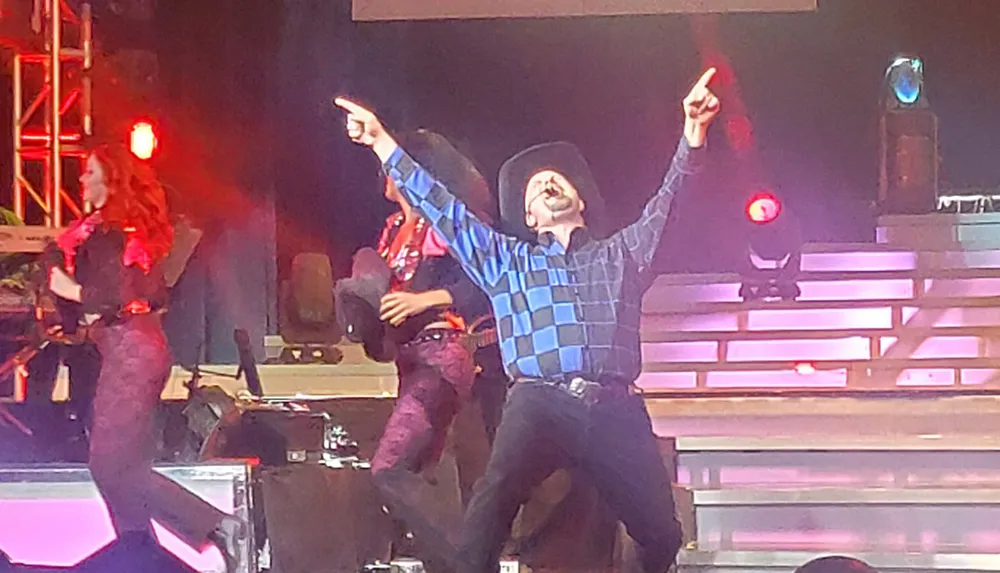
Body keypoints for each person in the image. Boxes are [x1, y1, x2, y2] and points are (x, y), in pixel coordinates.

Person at [335, 66, 720, 573]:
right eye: (536, 187)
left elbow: (672, 206)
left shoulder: (622, 253)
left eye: (555, 180)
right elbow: (445, 209)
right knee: (486, 521)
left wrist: (693, 136)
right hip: (539, 401)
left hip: (614, 407)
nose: (547, 184)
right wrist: (382, 142)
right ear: (530, 217)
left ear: (580, 200)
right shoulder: (509, 260)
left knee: (661, 533)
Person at [46, 143, 244, 572]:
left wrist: (71, 290)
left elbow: (123, 295)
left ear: (111, 180)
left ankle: (217, 525)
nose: (81, 180)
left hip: (134, 351)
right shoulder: (97, 231)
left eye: (90, 173)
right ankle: (142, 558)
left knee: (113, 467)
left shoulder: (121, 232)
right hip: (122, 349)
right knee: (116, 471)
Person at [360, 130, 506, 572]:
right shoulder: (391, 232)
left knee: (389, 468)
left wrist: (423, 301)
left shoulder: (443, 224)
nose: (386, 170)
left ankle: (471, 561)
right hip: (411, 361)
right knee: (419, 473)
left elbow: (486, 284)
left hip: (443, 355)